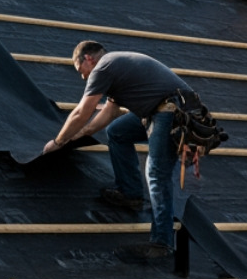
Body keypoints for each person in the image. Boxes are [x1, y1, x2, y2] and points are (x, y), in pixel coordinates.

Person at [43, 40, 193, 263]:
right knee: (117, 131)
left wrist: (58, 140)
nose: (82, 77)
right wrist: (78, 135)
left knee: (156, 174)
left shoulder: (103, 67)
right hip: (159, 109)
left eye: (80, 71)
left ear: (88, 59)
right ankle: (130, 192)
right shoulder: (116, 67)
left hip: (172, 111)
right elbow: (109, 113)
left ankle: (162, 242)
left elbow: (82, 111)